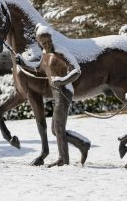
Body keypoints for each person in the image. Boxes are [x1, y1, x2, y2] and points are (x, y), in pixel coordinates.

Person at [15, 24, 90, 167]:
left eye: (49, 41)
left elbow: (77, 70)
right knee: (55, 130)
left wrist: (62, 80)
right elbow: (37, 68)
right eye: (44, 43)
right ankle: (82, 144)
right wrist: (22, 63)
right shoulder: (44, 55)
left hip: (64, 91)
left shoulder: (60, 52)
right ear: (39, 43)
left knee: (59, 129)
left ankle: (63, 160)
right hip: (56, 93)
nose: (48, 45)